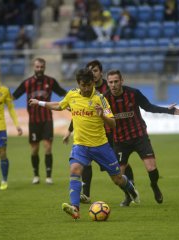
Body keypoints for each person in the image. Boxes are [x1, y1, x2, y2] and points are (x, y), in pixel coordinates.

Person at [29, 68, 139, 220]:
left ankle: (130, 188)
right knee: (74, 169)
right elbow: (59, 105)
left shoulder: (100, 99)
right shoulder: (72, 94)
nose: (86, 89)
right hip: (80, 145)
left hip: (101, 146)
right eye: (83, 85)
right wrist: (39, 103)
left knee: (117, 179)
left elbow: (113, 124)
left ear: (93, 82)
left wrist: (103, 116)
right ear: (78, 84)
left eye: (89, 85)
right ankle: (75, 209)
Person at [105, 69, 179, 206]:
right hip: (120, 140)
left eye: (116, 81)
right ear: (107, 83)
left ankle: (154, 185)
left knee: (151, 167)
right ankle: (129, 194)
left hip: (139, 136)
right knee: (117, 177)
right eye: (110, 82)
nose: (113, 85)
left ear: (122, 81)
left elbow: (148, 107)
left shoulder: (133, 93)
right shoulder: (104, 99)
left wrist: (168, 111)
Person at [63, 60, 135, 205]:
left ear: (100, 73)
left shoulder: (103, 93)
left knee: (119, 172)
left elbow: (111, 117)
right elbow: (79, 114)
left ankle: (129, 191)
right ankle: (82, 200)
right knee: (81, 166)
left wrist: (103, 114)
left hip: (107, 136)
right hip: (84, 141)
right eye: (91, 71)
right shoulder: (78, 93)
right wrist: (69, 131)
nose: (93, 74)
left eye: (95, 71)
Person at [12, 57, 67, 185]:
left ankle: (48, 176)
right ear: (33, 67)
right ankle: (36, 175)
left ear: (45, 67)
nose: (39, 69)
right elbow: (13, 96)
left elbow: (63, 93)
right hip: (33, 121)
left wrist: (76, 96)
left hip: (47, 119)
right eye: (37, 67)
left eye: (41, 67)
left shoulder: (51, 81)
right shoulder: (27, 83)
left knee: (48, 147)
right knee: (34, 149)